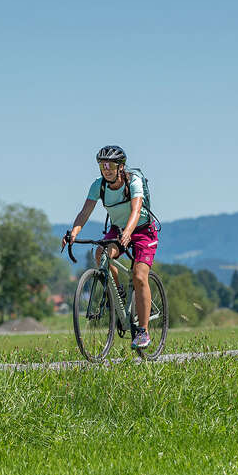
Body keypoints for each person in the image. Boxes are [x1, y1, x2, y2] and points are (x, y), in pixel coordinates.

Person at [61, 145, 159, 349]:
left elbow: (136, 209)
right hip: (118, 228)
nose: (106, 169)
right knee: (101, 254)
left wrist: (129, 232)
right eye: (102, 165)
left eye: (111, 165)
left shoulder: (134, 181)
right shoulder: (98, 185)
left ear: (121, 167)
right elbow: (85, 211)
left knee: (140, 276)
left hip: (142, 230)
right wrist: (74, 233)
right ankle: (118, 294)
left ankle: (143, 331)